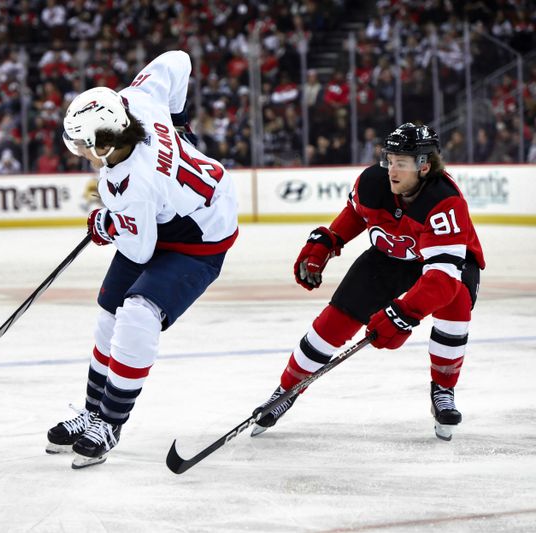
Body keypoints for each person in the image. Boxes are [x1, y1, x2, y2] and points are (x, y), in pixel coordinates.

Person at [47, 51, 239, 469]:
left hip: (198, 238)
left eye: (82, 142)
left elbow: (139, 250)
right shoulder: (138, 101)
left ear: (105, 142)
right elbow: (177, 60)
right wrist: (179, 123)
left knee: (137, 313)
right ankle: (92, 411)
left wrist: (106, 225)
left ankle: (110, 423)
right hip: (170, 210)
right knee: (108, 314)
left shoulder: (129, 183)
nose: (76, 148)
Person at [251, 123, 484, 442]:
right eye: (390, 159)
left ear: (424, 165)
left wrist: (402, 314)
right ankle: (286, 390)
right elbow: (356, 215)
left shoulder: (444, 201)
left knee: (454, 308)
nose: (392, 169)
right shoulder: (373, 182)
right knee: (333, 323)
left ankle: (442, 389)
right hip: (388, 257)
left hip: (443, 268)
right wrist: (328, 240)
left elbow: (441, 280)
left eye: (402, 162)